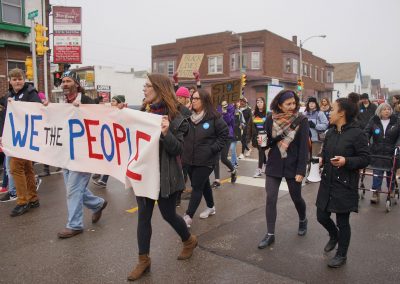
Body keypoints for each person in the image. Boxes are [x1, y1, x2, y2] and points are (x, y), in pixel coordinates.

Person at [128, 74, 197, 281]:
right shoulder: (143, 112)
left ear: (159, 89)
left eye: (148, 86)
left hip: (167, 174)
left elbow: (178, 149)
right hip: (145, 174)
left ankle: (188, 240)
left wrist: (166, 133)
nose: (144, 89)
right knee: (144, 216)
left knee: (168, 214)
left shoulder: (180, 116)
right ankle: (143, 260)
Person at [316, 97, 370, 268]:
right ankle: (334, 235)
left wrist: (346, 161)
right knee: (321, 216)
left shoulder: (357, 134)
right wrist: (321, 159)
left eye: (332, 109)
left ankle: (341, 254)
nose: (329, 112)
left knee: (343, 222)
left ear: (341, 113)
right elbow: (325, 152)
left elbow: (365, 158)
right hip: (327, 181)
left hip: (345, 183)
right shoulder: (331, 132)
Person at [56, 71, 108, 238]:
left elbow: (103, 119)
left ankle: (75, 225)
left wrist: (85, 112)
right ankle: (97, 204)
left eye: (68, 81)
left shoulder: (86, 101)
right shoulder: (63, 103)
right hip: (67, 154)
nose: (65, 84)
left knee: (72, 190)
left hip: (84, 155)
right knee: (75, 189)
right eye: (63, 81)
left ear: (76, 84)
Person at [257, 90, 309, 249]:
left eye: (294, 103)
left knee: (296, 197)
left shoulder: (301, 120)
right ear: (279, 104)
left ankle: (302, 219)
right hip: (274, 163)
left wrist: (301, 171)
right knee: (270, 198)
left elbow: (303, 149)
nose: (292, 106)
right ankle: (270, 234)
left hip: (293, 165)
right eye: (288, 104)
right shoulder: (270, 118)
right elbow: (265, 143)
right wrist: (260, 141)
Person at [182, 89, 229, 227]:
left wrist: (212, 149)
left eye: (197, 98)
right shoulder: (189, 117)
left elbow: (224, 133)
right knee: (203, 184)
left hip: (207, 160)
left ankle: (188, 216)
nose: (193, 100)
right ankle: (211, 207)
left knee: (196, 186)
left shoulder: (214, 117)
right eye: (192, 98)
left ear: (204, 100)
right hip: (190, 158)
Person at [0, 68, 42, 216]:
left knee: (15, 168)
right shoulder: (9, 95)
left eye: (20, 79)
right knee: (27, 169)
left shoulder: (30, 93)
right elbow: (4, 113)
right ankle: (32, 198)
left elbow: (38, 110)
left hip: (26, 138)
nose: (17, 81)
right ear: (10, 81)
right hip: (14, 138)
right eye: (14, 79)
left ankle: (22, 201)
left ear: (24, 80)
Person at [364, 103, 400, 203]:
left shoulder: (396, 120)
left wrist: (398, 144)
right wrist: (366, 140)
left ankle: (391, 189)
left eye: (388, 109)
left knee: (391, 172)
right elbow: (366, 131)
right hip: (377, 150)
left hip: (391, 151)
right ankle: (376, 192)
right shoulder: (374, 120)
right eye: (384, 109)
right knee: (377, 172)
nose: (387, 111)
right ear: (380, 111)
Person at [93, 95, 126, 187]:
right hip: (111, 141)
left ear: (120, 103)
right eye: (111, 101)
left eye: (114, 101)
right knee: (110, 160)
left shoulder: (124, 113)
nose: (111, 103)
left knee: (115, 161)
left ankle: (103, 179)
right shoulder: (110, 112)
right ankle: (102, 178)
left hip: (120, 142)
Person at [212, 101, 237, 188]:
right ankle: (217, 180)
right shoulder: (217, 106)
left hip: (227, 136)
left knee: (223, 159)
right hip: (218, 135)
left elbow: (228, 121)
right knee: (216, 158)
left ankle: (233, 170)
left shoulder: (230, 107)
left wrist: (225, 111)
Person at [250, 97, 267, 178]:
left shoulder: (267, 114)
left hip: (264, 135)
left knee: (261, 151)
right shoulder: (254, 114)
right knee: (261, 151)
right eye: (257, 102)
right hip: (257, 135)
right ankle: (265, 164)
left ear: (264, 103)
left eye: (261, 102)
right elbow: (252, 126)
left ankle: (259, 170)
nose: (259, 103)